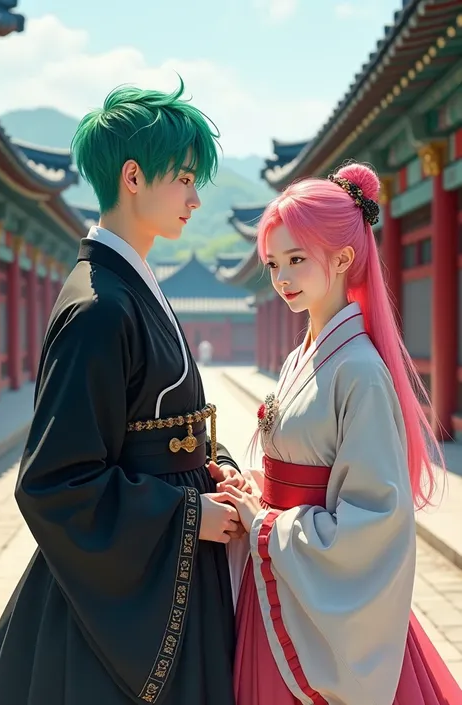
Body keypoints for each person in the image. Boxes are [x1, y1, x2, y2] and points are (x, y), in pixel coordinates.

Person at [0, 80, 249, 705]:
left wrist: (218, 474)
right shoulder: (99, 307)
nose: (195, 196)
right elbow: (54, 480)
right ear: (133, 176)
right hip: (132, 593)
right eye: (184, 178)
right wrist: (189, 517)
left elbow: (163, 431)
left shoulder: (130, 285)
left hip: (172, 569)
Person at [218, 162, 462, 704]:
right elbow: (299, 472)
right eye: (274, 264)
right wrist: (254, 491)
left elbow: (372, 521)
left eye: (297, 260)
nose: (282, 279)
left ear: (344, 258)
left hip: (310, 597)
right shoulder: (301, 355)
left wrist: (267, 524)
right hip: (284, 579)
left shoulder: (360, 371)